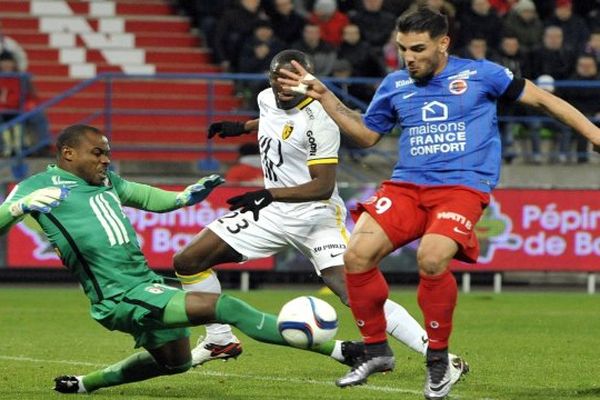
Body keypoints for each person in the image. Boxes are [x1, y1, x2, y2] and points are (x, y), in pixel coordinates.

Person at [277, 6, 600, 399]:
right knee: (356, 256)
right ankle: (377, 350)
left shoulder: (483, 74)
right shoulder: (395, 84)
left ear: (443, 44)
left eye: (417, 49)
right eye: (402, 49)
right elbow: (365, 135)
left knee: (431, 258)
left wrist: (594, 135)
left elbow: (548, 102)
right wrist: (325, 95)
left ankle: (438, 361)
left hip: (462, 187)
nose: (408, 58)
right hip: (407, 187)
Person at [172, 49, 469, 384]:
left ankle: (441, 356)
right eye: (278, 78)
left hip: (316, 215)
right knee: (188, 260)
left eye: (293, 79)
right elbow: (273, 120)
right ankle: (219, 340)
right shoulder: (266, 98)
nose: (284, 86)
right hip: (272, 212)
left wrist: (267, 193)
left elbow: (323, 187)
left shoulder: (320, 121)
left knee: (355, 292)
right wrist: (240, 127)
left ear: (307, 80)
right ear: (270, 79)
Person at [0, 124, 365, 394]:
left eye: (108, 152)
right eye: (98, 152)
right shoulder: (34, 188)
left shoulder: (107, 181)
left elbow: (147, 197)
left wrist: (185, 197)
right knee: (230, 308)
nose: (106, 159)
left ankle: (83, 385)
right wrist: (17, 207)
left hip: (143, 286)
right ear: (67, 154)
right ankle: (341, 350)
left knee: (176, 364)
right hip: (119, 296)